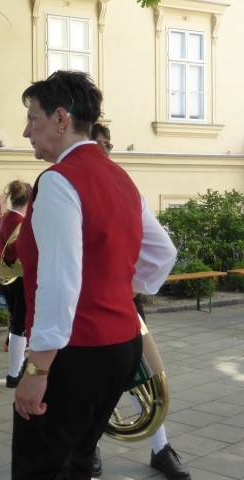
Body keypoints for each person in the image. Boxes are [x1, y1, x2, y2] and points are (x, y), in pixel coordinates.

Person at [11, 71, 177, 479]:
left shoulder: (58, 180)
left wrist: (37, 369)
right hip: (122, 345)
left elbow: (58, 281)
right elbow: (162, 254)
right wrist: (117, 290)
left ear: (61, 118)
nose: (27, 131)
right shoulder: (119, 175)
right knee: (79, 461)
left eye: (33, 119)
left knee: (43, 469)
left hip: (73, 353)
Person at [89, 122, 191, 480]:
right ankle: (91, 445)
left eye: (107, 145)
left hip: (115, 299)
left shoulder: (124, 189)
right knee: (95, 377)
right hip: (91, 303)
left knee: (143, 376)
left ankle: (160, 448)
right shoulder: (87, 185)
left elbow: (163, 250)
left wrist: (129, 289)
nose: (105, 151)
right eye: (99, 144)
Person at [0, 180, 32, 388]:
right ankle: (14, 374)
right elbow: (22, 251)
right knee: (20, 326)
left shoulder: (2, 219)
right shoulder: (21, 223)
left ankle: (16, 370)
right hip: (20, 278)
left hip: (6, 278)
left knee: (17, 323)